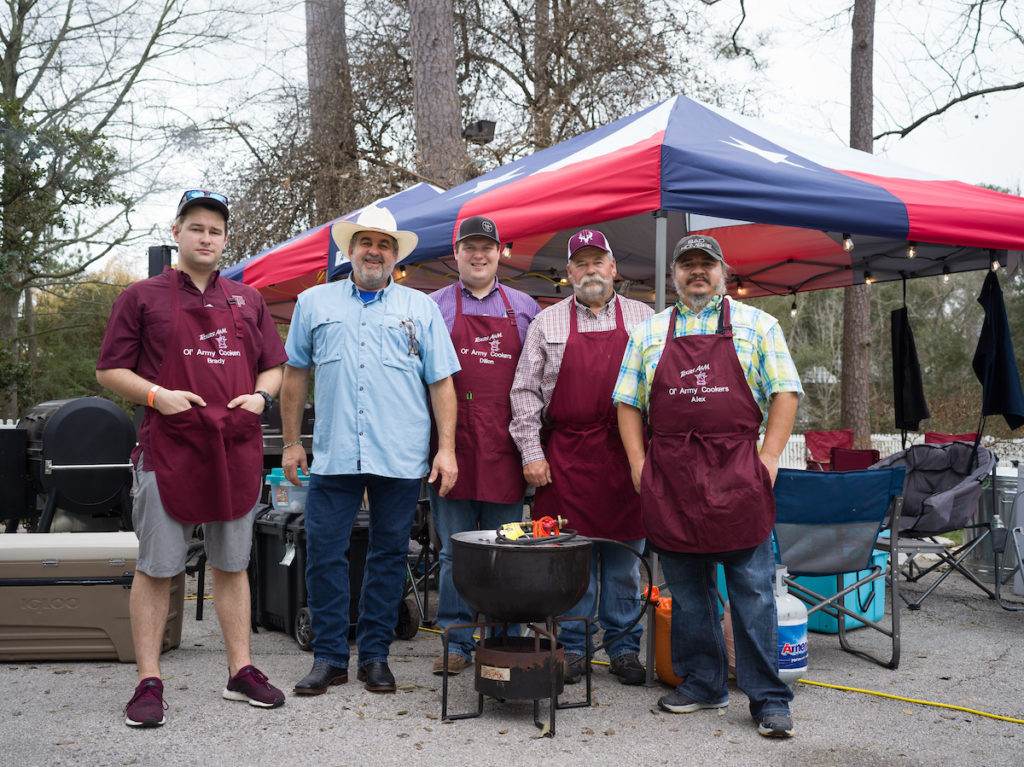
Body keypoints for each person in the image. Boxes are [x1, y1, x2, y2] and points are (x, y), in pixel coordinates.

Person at [97, 189, 288, 728]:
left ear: (226, 240)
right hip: (169, 448)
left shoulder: (247, 300)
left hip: (235, 447)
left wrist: (262, 397)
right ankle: (148, 681)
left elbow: (274, 365)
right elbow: (110, 371)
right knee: (158, 568)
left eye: (216, 231)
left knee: (232, 565)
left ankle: (241, 671)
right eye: (197, 227)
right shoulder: (141, 297)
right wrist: (158, 396)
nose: (207, 238)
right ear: (176, 232)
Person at [613, 233, 802, 739]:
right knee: (689, 592)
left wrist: (768, 459)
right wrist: (638, 463)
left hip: (738, 471)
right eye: (687, 265)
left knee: (754, 592)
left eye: (706, 265)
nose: (697, 273)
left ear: (724, 271)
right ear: (673, 274)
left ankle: (768, 698)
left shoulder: (758, 324)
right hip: (670, 477)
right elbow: (628, 403)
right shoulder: (650, 332)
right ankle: (704, 683)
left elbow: (785, 392)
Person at [282, 206, 460, 695]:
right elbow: (295, 374)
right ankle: (330, 656)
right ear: (350, 249)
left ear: (395, 255)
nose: (374, 252)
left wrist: (446, 449)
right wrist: (293, 443)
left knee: (388, 555)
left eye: (384, 245)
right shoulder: (313, 303)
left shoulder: (419, 308)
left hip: (400, 455)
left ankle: (376, 657)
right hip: (335, 453)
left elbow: (442, 383)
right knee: (323, 553)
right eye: (366, 243)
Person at [509, 229, 652, 686]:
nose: (591, 270)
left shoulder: (644, 318)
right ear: (569, 273)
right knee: (570, 562)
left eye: (599, 261)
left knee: (626, 564)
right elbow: (524, 394)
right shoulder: (545, 324)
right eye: (581, 263)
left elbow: (661, 389)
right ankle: (573, 647)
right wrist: (532, 453)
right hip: (566, 457)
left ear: (614, 268)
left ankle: (625, 647)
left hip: (627, 456)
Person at [427, 215, 540, 675]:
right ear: (456, 254)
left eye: (486, 248)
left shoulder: (526, 307)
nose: (478, 255)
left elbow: (537, 382)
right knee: (455, 550)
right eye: (469, 247)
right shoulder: (433, 306)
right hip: (450, 446)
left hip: (506, 448)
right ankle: (456, 642)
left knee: (505, 547)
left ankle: (505, 637)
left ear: (499, 254)